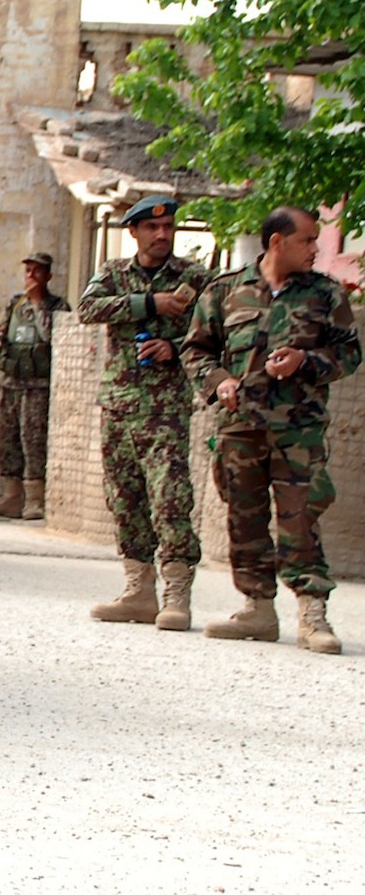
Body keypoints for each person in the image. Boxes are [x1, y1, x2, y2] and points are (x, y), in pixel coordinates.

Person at [182, 206, 360, 654]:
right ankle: (257, 609)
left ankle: (312, 613)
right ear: (277, 242)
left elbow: (350, 354)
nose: (316, 248)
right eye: (307, 240)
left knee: (301, 518)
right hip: (239, 427)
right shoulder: (225, 291)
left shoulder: (325, 293)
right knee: (244, 518)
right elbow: (196, 351)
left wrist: (306, 361)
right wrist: (219, 381)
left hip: (299, 429)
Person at [75, 196, 216, 630]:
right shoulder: (114, 273)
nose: (161, 234)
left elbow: (219, 333)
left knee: (170, 497)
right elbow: (87, 309)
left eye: (168, 227)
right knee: (125, 498)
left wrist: (173, 348)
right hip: (119, 404)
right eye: (152, 228)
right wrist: (151, 303)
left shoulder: (195, 278)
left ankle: (176, 593)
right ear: (133, 232)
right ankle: (139, 590)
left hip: (166, 408)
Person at [0, 251, 71, 520]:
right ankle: (11, 496)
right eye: (28, 271)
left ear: (48, 276)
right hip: (12, 382)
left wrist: (39, 304)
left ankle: (34, 500)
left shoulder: (57, 306)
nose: (31, 276)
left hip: (38, 385)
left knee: (33, 440)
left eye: (37, 271)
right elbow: (2, 334)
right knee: (8, 440)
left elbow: (54, 337)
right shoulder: (15, 304)